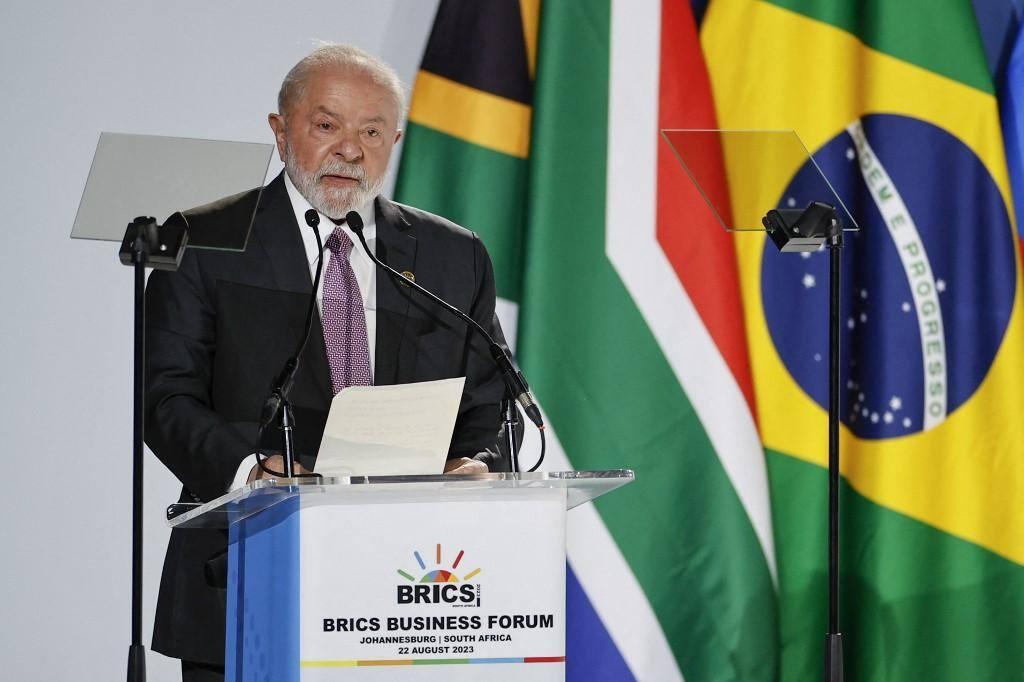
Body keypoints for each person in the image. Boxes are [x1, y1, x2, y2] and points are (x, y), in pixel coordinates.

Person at [144, 44, 509, 681]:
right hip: (245, 574)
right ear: (280, 131)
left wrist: (478, 463)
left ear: (395, 137)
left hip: (412, 590)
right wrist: (251, 469)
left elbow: (491, 401)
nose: (350, 149)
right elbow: (164, 397)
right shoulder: (205, 241)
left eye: (372, 130)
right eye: (327, 125)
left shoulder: (454, 255)